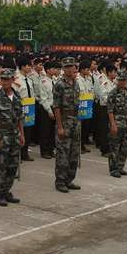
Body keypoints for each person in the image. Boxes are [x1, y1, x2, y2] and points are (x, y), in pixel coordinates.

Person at [0, 68, 25, 207]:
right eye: (2, 79)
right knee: (0, 166)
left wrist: (22, 134)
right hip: (2, 135)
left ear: (12, 80)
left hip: (14, 134)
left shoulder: (17, 96)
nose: (4, 82)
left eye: (7, 79)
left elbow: (20, 117)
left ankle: (7, 190)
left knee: (13, 165)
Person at [52, 57, 82, 193]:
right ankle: (60, 181)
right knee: (63, 154)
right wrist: (59, 126)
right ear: (63, 69)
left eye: (72, 66)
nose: (70, 69)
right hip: (64, 121)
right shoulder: (59, 84)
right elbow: (56, 107)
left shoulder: (76, 83)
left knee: (74, 154)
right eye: (67, 67)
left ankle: (69, 179)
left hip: (75, 121)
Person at [106, 70, 127, 177]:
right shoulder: (113, 93)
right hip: (116, 122)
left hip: (125, 122)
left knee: (124, 147)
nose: (122, 82)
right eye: (120, 80)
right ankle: (113, 169)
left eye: (124, 80)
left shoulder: (126, 92)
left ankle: (121, 167)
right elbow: (110, 110)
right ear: (117, 80)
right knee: (114, 147)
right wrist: (113, 124)